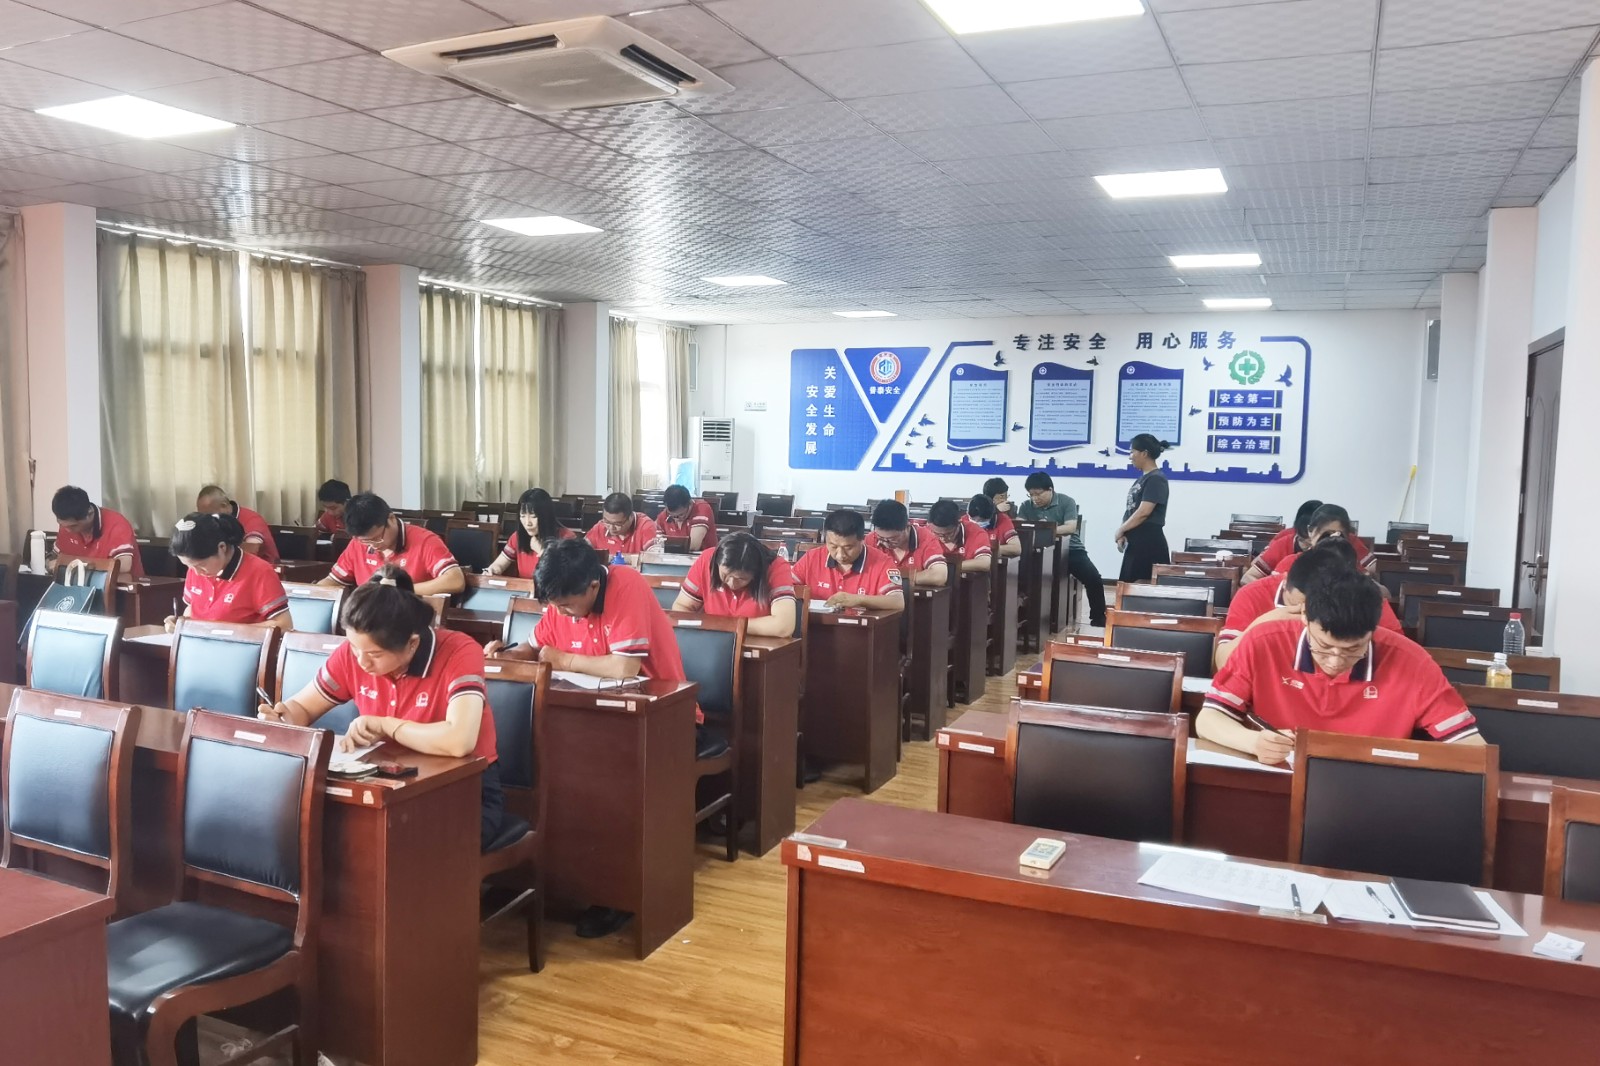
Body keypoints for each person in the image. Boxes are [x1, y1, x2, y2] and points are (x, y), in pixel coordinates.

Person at [486, 536, 691, 940]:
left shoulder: (626, 584)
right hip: (583, 718)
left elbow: (625, 668)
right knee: (540, 772)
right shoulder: (562, 596)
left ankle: (612, 894)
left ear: (593, 586)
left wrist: (561, 659)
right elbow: (534, 647)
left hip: (658, 720)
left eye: (566, 605)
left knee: (601, 786)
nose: (561, 612)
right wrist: (502, 657)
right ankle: (525, 879)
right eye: (555, 605)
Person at [261, 567, 501, 846]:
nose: (361, 662)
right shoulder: (354, 653)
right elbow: (302, 708)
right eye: (354, 648)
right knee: (318, 832)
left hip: (463, 791)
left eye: (374, 654)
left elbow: (459, 741)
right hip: (387, 785)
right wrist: (281, 719)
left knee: (397, 846)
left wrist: (386, 725)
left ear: (412, 644)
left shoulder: (459, 652)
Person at [1196, 569, 1483, 766]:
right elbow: (1209, 718)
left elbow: (1472, 748)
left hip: (1374, 790)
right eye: (1323, 646)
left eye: (1352, 650)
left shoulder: (1412, 662)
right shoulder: (1264, 643)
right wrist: (1254, 742)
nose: (1334, 661)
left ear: (1373, 630)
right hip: (1283, 780)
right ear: (1304, 615)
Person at [1214, 537, 1400, 670]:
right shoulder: (1253, 594)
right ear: (1284, 583)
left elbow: (1395, 659)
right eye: (1297, 607)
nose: (1303, 616)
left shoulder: (1364, 599)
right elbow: (1224, 663)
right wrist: (1263, 625)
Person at [319, 492, 465, 596]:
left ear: (391, 519)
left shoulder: (425, 540)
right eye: (366, 541)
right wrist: (311, 592)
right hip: (370, 620)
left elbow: (455, 581)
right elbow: (334, 580)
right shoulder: (358, 544)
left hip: (412, 616)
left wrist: (400, 590)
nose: (373, 545)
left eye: (377, 537)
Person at [165, 512, 291, 632]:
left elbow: (284, 624)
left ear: (222, 547)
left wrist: (228, 631)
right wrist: (180, 623)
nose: (196, 573)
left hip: (240, 645)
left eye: (201, 565)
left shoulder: (259, 571)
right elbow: (192, 609)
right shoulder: (195, 569)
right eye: (188, 566)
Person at [1019, 471, 1106, 627]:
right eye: (1031, 495)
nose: (1034, 499)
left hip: (1070, 549)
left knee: (1093, 578)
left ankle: (1098, 617)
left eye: (1038, 494)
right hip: (1037, 552)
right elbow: (1020, 527)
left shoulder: (1066, 502)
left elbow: (1070, 527)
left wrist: (1045, 529)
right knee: (1020, 577)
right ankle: (1030, 619)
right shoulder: (1026, 506)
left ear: (1050, 489)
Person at [672, 532, 798, 637]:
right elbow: (682, 607)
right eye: (725, 575)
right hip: (711, 641)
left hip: (756, 644)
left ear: (756, 573)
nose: (732, 583)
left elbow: (784, 626)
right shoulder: (707, 560)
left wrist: (725, 625)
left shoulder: (775, 568)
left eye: (742, 579)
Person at [791, 509, 905, 610]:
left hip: (860, 627)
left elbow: (898, 602)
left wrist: (859, 599)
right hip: (813, 625)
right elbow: (786, 588)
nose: (840, 555)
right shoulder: (812, 558)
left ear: (862, 540)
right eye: (833, 546)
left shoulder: (882, 562)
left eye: (848, 548)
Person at [1255, 503, 1375, 579]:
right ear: (1310, 531)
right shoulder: (1291, 563)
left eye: (1338, 536)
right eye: (1325, 535)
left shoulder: (1352, 568)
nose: (1331, 540)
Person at [51, 485, 144, 578]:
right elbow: (54, 558)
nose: (68, 530)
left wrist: (75, 565)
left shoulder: (116, 524)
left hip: (120, 584)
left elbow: (124, 566)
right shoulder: (66, 527)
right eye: (62, 524)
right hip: (80, 584)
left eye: (73, 526)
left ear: (90, 513)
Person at [1114, 433, 1170, 583]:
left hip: (1148, 543)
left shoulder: (1156, 479)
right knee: (1128, 587)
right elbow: (1131, 510)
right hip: (1136, 541)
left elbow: (1144, 512)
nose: (1130, 456)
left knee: (1141, 588)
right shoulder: (1143, 478)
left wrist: (1120, 530)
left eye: (1132, 452)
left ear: (1144, 453)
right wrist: (1124, 532)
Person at [487, 488, 575, 579]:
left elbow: (567, 576)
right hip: (525, 587)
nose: (527, 523)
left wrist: (541, 550)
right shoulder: (517, 537)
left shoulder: (566, 538)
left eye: (533, 516)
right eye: (522, 516)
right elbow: (499, 564)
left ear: (546, 516)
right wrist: (493, 569)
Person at [870, 500, 948, 587]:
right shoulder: (871, 539)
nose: (886, 543)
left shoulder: (926, 538)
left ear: (907, 527)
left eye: (892, 539)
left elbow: (939, 576)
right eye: (881, 538)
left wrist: (898, 579)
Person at [196, 485, 279, 563]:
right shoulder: (214, 522)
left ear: (223, 506)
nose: (208, 520)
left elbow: (253, 549)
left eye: (211, 515)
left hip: (263, 569)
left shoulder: (251, 519)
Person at [923, 498, 993, 572]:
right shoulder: (925, 533)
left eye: (948, 533)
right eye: (936, 533)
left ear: (959, 523)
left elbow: (984, 563)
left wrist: (944, 568)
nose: (942, 538)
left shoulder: (976, 532)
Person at [585, 492, 659, 560]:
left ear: (631, 517)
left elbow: (653, 558)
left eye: (618, 524)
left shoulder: (646, 527)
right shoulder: (600, 527)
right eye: (607, 522)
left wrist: (613, 558)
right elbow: (582, 551)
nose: (611, 528)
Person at [656, 485, 718, 552]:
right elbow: (656, 543)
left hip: (704, 556)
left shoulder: (701, 509)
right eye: (672, 516)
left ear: (690, 504)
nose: (676, 519)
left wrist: (667, 546)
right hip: (674, 556)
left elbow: (694, 545)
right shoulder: (665, 514)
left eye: (681, 515)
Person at [980, 478, 1022, 558]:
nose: (1005, 500)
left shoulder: (1003, 519)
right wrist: (996, 509)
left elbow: (1016, 548)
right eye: (1002, 496)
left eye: (1006, 496)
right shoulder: (970, 518)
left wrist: (988, 549)